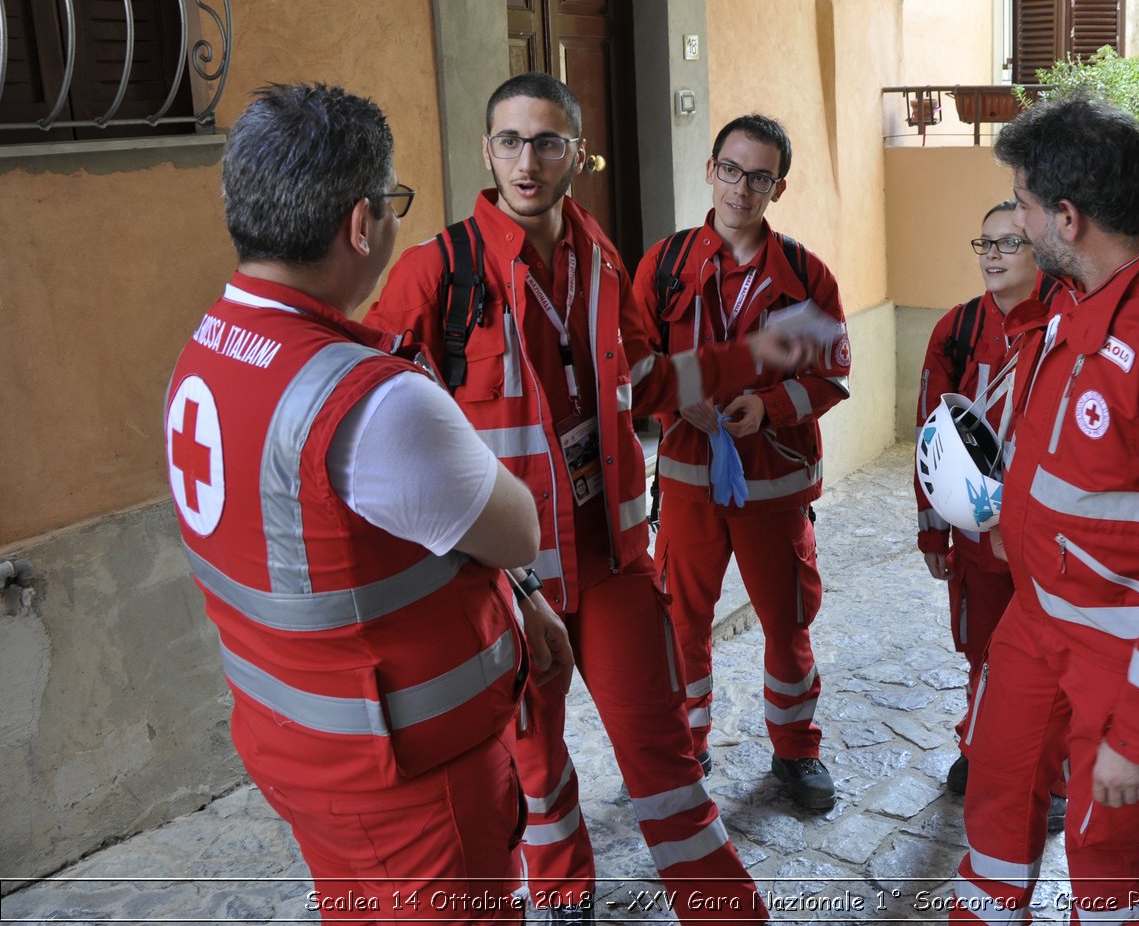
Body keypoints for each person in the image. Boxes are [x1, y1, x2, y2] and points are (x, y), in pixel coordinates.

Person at [365, 74, 797, 925]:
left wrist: (747, 358)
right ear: (487, 152)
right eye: (511, 142)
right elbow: (383, 427)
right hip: (508, 585)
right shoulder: (436, 274)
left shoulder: (600, 256)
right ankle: (566, 896)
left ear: (579, 154)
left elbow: (641, 379)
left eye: (549, 141)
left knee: (666, 758)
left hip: (611, 563)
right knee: (537, 762)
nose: (529, 161)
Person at [162, 82, 575, 923]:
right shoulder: (369, 400)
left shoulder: (206, 350)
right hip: (408, 782)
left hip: (299, 751)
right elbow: (517, 528)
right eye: (391, 203)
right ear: (361, 224)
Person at [948, 99, 1139, 925]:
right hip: (1036, 621)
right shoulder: (1074, 301)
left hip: (1121, 655)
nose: (1014, 223)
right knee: (997, 799)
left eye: (1021, 204)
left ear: (1069, 219)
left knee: (1108, 852)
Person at [634, 114, 849, 812]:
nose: (741, 188)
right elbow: (632, 363)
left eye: (759, 176)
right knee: (679, 625)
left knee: (787, 625)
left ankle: (796, 752)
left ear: (778, 186)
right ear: (710, 170)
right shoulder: (664, 267)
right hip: (689, 486)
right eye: (732, 168)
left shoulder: (806, 277)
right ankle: (686, 748)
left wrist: (771, 407)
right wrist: (674, 402)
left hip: (775, 488)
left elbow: (833, 373)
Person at [913, 200, 1068, 825]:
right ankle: (977, 745)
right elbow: (928, 430)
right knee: (984, 646)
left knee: (1050, 654)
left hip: (1044, 531)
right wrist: (932, 529)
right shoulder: (954, 329)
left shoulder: (1070, 321)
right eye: (985, 245)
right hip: (976, 530)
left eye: (1009, 243)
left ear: (1041, 251)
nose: (994, 256)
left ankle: (1053, 777)